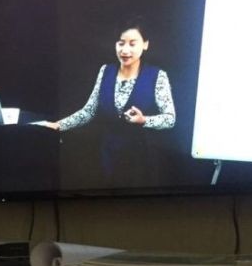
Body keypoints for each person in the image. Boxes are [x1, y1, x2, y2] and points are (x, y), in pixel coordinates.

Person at [37, 20, 176, 185]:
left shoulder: (157, 76)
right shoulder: (106, 71)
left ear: (145, 44)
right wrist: (58, 125)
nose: (125, 50)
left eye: (132, 44)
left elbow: (170, 118)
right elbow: (88, 111)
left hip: (141, 159)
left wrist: (144, 120)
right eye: (120, 43)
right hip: (108, 155)